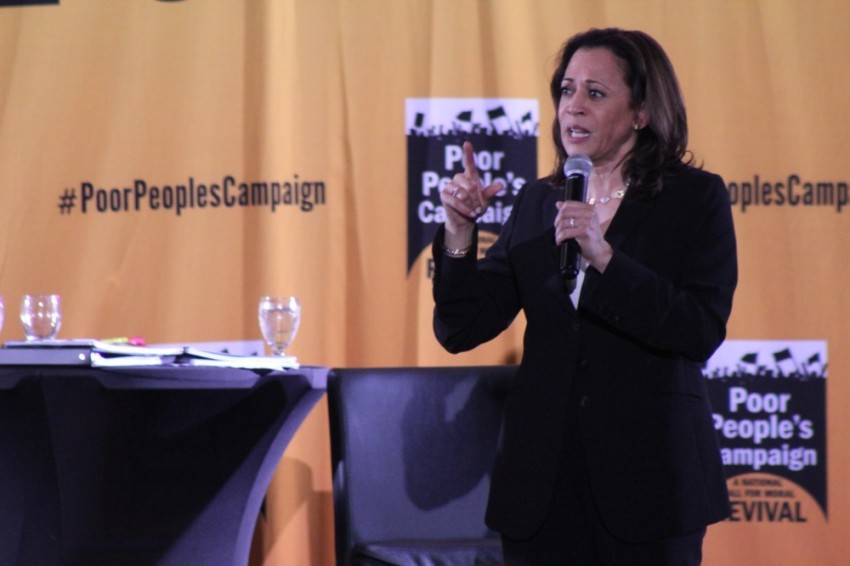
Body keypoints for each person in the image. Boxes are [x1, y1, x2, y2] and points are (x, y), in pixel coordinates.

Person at [432, 28, 737, 565]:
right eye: (566, 90)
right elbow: (461, 328)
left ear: (641, 111)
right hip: (541, 489)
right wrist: (459, 234)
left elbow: (698, 329)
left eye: (595, 93)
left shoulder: (694, 199)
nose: (574, 107)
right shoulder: (537, 201)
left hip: (649, 486)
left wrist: (606, 259)